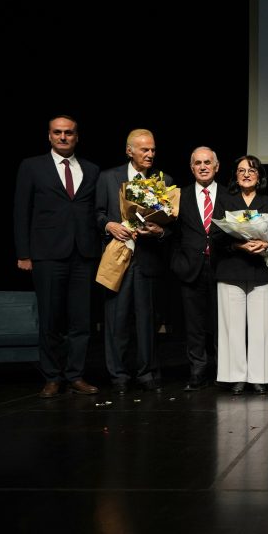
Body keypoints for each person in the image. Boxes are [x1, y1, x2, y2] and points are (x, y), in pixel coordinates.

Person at [14, 115, 100, 398]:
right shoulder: (32, 166)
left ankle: (75, 375)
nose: (63, 137)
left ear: (77, 136)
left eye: (69, 133)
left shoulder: (91, 169)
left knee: (81, 321)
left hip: (83, 255)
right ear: (49, 136)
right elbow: (21, 211)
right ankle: (52, 377)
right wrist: (23, 253)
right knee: (50, 319)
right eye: (57, 133)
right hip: (47, 254)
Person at [96, 129, 172, 394]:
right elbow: (97, 214)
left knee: (147, 321)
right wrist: (110, 225)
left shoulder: (164, 181)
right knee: (116, 320)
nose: (150, 154)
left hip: (148, 260)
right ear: (130, 151)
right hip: (117, 259)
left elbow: (173, 226)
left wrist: (159, 231)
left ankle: (147, 373)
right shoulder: (108, 178)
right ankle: (118, 376)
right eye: (144, 150)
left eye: (152, 149)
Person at [211, 155, 268, 395]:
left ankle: (259, 377)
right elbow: (216, 235)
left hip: (261, 270)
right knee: (231, 327)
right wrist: (238, 246)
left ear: (259, 176)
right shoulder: (224, 200)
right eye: (241, 170)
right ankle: (235, 377)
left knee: (261, 327)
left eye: (251, 170)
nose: (246, 174)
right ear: (235, 175)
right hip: (231, 267)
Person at [169, 147, 221, 391]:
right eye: (198, 163)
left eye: (207, 162)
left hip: (222, 267)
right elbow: (172, 233)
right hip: (190, 268)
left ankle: (224, 370)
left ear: (216, 166)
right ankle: (198, 370)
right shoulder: (179, 195)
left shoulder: (229, 196)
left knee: (223, 323)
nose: (203, 166)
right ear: (191, 168)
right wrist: (178, 261)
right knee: (194, 325)